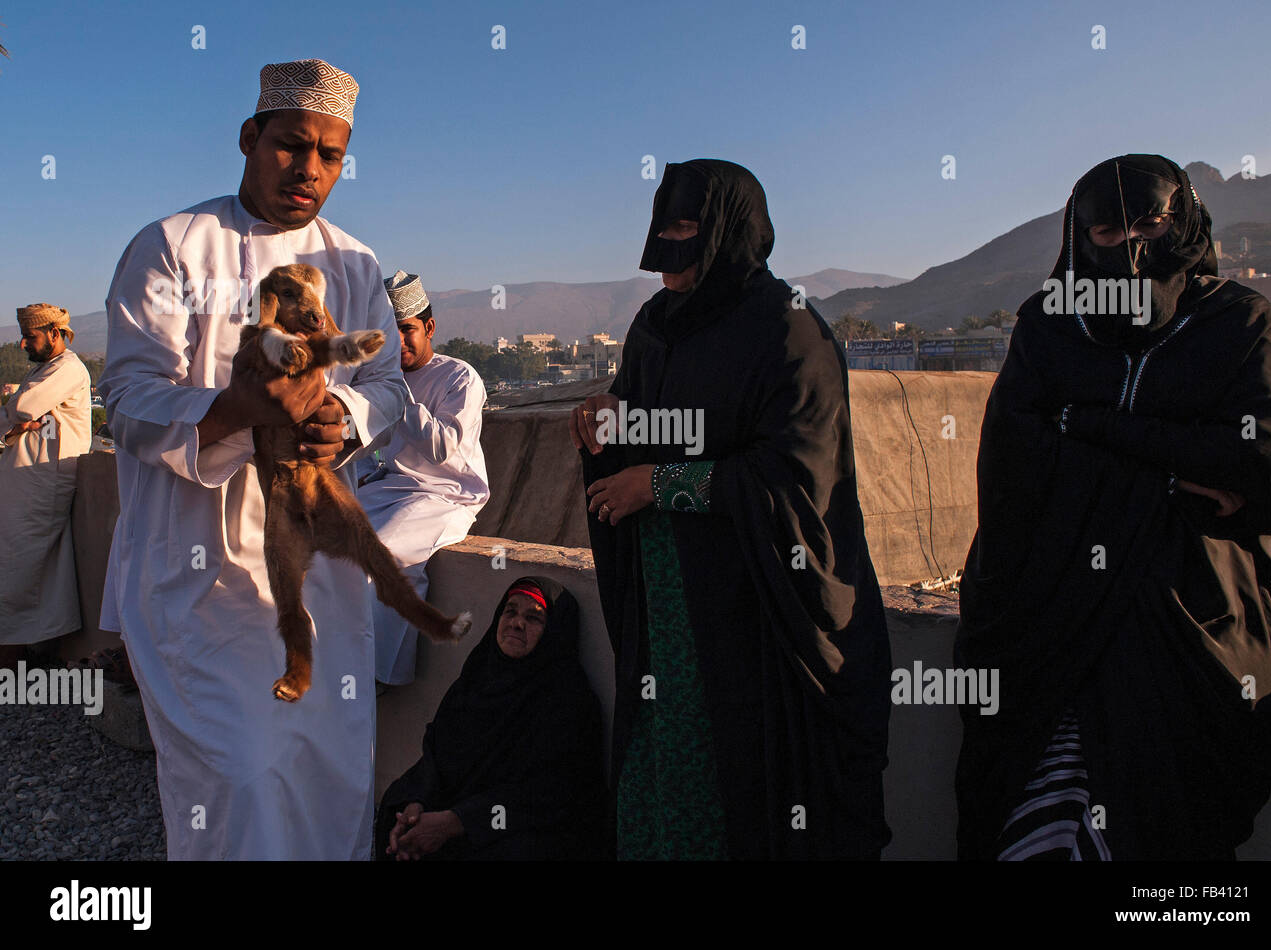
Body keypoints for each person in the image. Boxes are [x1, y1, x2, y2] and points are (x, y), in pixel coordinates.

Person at [98, 59, 407, 860]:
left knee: (325, 770)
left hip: (316, 577)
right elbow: (128, 403)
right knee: (235, 778)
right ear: (250, 137)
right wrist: (240, 409)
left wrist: (345, 414)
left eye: (330, 155)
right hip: (196, 580)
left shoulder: (357, 263)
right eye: (290, 145)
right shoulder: (170, 247)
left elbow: (386, 383)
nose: (308, 169)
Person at [955, 154, 1271, 860]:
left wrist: (1089, 426)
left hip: (1189, 620)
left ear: (1185, 220)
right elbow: (1015, 473)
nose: (1131, 248)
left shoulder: (1235, 321)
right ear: (1081, 238)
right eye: (1108, 232)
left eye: (1148, 222)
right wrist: (1175, 470)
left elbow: (1253, 468)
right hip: (1044, 622)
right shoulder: (1049, 327)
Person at [571, 159, 893, 859]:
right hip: (662, 594)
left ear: (729, 231)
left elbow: (794, 479)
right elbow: (646, 419)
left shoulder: (786, 330)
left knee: (741, 787)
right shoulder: (656, 324)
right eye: (662, 228)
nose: (667, 250)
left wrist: (659, 487)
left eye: (684, 228)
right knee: (660, 769)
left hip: (754, 604)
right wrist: (608, 422)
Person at [376, 577, 607, 860]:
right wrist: (416, 804)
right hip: (461, 809)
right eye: (510, 611)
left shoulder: (567, 701)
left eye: (534, 617)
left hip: (520, 823)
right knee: (395, 810)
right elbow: (437, 753)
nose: (516, 623)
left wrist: (457, 821)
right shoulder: (476, 680)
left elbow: (550, 794)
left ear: (554, 631)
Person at [357, 270, 489, 687]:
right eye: (387, 332)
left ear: (429, 327)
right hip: (391, 487)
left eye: (406, 329)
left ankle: (380, 675)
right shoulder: (380, 381)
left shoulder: (460, 377)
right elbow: (362, 445)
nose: (397, 342)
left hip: (446, 494)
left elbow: (443, 449)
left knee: (385, 550)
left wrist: (396, 391)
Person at [0, 304, 91, 652]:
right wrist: (14, 417)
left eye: (30, 336)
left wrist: (15, 415)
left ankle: (10, 659)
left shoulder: (68, 369)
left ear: (55, 333)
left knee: (19, 569)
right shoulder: (46, 369)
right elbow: (15, 414)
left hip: (43, 482)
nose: (23, 344)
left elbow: (21, 408)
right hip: (26, 481)